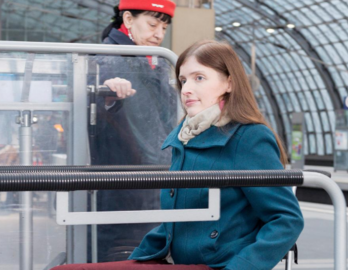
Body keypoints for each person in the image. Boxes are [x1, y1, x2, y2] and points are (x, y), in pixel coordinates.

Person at [52, 40, 304, 270]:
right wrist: (140, 256)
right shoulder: (187, 136)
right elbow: (179, 217)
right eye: (183, 80)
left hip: (218, 263)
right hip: (175, 259)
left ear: (229, 83)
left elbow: (286, 219)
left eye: (199, 78)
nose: (187, 89)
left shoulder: (248, 137)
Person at [90, 0, 179, 262]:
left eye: (163, 27)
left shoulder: (155, 59)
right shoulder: (106, 58)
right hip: (126, 182)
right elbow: (94, 105)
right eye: (152, 24)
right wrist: (108, 93)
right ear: (128, 20)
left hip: (153, 178)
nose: (159, 34)